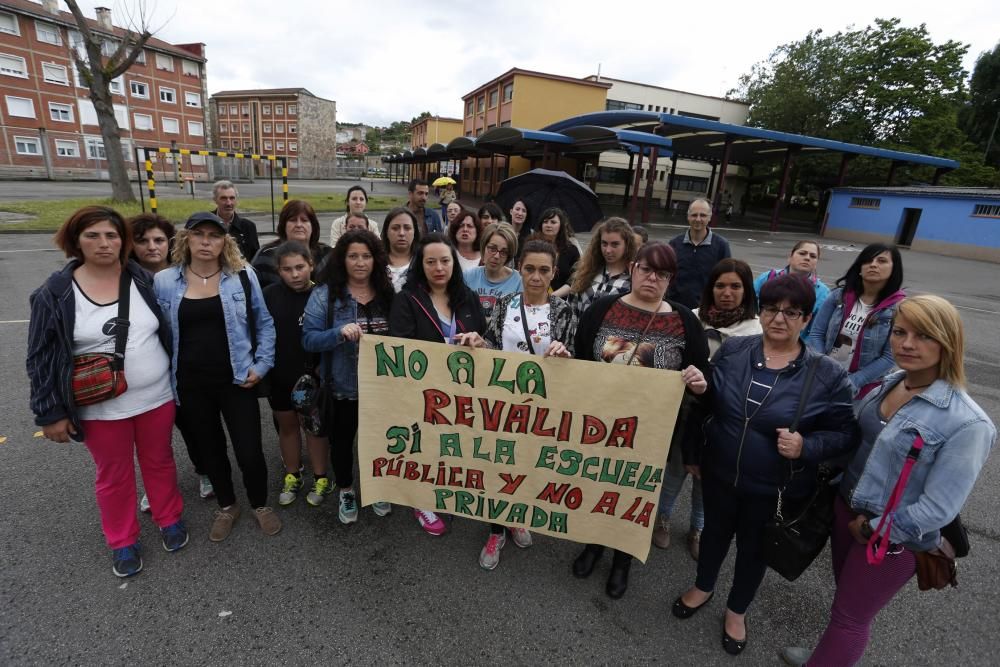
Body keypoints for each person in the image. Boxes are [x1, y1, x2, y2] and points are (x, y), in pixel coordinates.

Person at [782, 295, 995, 667]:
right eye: (900, 332)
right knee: (845, 603)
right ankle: (829, 655)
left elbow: (939, 508)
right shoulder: (891, 381)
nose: (907, 344)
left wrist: (877, 528)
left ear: (948, 341)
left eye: (924, 335)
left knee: (851, 618)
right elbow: (856, 442)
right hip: (845, 512)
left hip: (891, 539)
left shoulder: (968, 424)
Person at [672, 274, 856, 657]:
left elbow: (845, 436)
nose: (779, 318)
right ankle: (703, 586)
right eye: (772, 309)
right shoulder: (734, 349)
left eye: (792, 312)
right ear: (762, 310)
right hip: (719, 472)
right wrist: (696, 437)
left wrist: (807, 445)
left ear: (807, 319)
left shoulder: (827, 375)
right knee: (713, 535)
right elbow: (706, 407)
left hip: (774, 487)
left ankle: (736, 610)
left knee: (754, 551)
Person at [27, 206, 186, 578]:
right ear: (75, 241)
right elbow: (40, 357)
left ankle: (169, 517)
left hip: (155, 396)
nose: (103, 243)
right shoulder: (55, 293)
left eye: (111, 235)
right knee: (113, 473)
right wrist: (49, 412)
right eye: (92, 235)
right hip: (99, 404)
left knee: (159, 460)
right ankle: (122, 539)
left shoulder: (142, 279)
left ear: (122, 240)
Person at [571, 241, 710, 598]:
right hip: (599, 426)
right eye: (646, 269)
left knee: (634, 496)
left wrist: (698, 383)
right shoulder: (602, 309)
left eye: (662, 274)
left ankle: (622, 560)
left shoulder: (684, 321)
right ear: (633, 268)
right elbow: (581, 361)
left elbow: (702, 379)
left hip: (650, 433)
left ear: (670, 280)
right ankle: (593, 544)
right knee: (596, 487)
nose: (652, 278)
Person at [154, 212, 280, 542]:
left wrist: (262, 364)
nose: (206, 241)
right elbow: (156, 334)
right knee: (210, 450)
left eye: (214, 235)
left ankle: (260, 503)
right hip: (191, 383)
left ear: (225, 240)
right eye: (199, 234)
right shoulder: (166, 281)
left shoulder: (241, 276)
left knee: (249, 450)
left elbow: (264, 323)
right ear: (187, 239)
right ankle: (227, 505)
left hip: (237, 380)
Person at [457, 239, 575, 570]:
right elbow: (492, 343)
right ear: (519, 268)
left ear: (553, 272)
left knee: (528, 466)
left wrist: (565, 356)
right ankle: (496, 530)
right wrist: (479, 343)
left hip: (541, 407)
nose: (536, 277)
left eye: (544, 270)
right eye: (529, 269)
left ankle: (517, 516)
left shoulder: (564, 311)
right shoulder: (506, 303)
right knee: (498, 465)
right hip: (502, 403)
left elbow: (576, 361)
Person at [653, 259, 762, 558]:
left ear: (747, 290)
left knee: (707, 477)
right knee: (675, 468)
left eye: (735, 286)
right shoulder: (691, 318)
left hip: (724, 416)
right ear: (710, 288)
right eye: (720, 285)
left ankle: (697, 527)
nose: (727, 292)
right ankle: (662, 518)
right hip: (686, 410)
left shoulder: (755, 332)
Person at [389, 233, 487, 535]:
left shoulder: (467, 296)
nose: (439, 267)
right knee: (424, 447)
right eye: (431, 262)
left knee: (452, 446)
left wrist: (478, 341)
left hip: (461, 392)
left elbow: (484, 336)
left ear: (454, 264)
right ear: (421, 265)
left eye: (445, 261)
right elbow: (400, 347)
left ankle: (447, 491)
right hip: (423, 393)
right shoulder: (407, 300)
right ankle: (421, 500)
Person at [303, 229, 396, 523]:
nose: (359, 262)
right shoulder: (325, 296)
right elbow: (308, 340)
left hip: (381, 390)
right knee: (342, 444)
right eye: (352, 256)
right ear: (341, 259)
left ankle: (377, 488)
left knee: (378, 443)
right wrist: (337, 334)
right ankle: (346, 490)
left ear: (376, 260)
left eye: (366, 256)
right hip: (341, 388)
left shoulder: (388, 294)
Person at [129, 213, 213, 513]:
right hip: (146, 370)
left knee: (192, 426)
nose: (152, 247)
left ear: (171, 243)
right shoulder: (126, 280)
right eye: (142, 241)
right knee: (152, 437)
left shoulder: (183, 274)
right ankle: (155, 486)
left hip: (184, 366)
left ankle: (204, 470)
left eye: (159, 240)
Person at [262, 241, 331, 508]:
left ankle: (321, 477)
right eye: (287, 269)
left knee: (315, 429)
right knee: (288, 427)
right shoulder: (269, 295)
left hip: (313, 377)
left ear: (311, 265)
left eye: (300, 267)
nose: (294, 274)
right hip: (280, 375)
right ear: (278, 270)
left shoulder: (323, 295)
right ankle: (292, 474)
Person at [807, 243, 905, 398]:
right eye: (868, 260)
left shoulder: (899, 308)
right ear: (859, 268)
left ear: (894, 269)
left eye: (882, 261)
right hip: (822, 379)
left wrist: (852, 382)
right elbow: (816, 334)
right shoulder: (839, 296)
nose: (873, 265)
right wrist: (822, 368)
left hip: (864, 390)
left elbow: (889, 357)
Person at [554, 217, 636, 321]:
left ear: (627, 245)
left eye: (615, 244)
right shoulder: (586, 270)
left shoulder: (634, 278)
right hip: (577, 334)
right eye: (604, 243)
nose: (608, 250)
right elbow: (571, 307)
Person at [754, 240, 830, 338]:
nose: (807, 258)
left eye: (813, 256)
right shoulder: (767, 277)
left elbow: (817, 331)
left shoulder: (823, 293)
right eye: (802, 253)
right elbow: (748, 306)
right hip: (759, 337)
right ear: (790, 257)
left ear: (816, 262)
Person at [252, 200, 332, 289]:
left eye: (304, 220)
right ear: (283, 226)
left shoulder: (327, 255)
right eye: (293, 220)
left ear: (313, 226)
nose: (299, 225)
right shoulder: (265, 256)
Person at [667, 198, 732, 309]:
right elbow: (666, 275)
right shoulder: (674, 244)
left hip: (706, 310)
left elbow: (726, 279)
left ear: (710, 217)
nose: (698, 219)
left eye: (703, 215)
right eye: (694, 215)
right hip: (675, 308)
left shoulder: (721, 246)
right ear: (688, 216)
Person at [463, 222, 522, 321]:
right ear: (483, 247)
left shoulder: (518, 281)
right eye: (492, 248)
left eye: (503, 252)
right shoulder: (468, 276)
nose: (496, 256)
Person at [535, 207, 580, 292]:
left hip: (560, 298)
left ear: (561, 226)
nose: (548, 225)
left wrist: (553, 296)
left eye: (553, 222)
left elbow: (576, 277)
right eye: (545, 222)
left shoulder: (571, 250)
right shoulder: (532, 246)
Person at [212, 180, 259, 261]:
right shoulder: (205, 223)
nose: (228, 203)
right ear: (215, 200)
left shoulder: (248, 227)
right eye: (223, 198)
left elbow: (254, 258)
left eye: (232, 198)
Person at [381, 207, 420, 292]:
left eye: (407, 228)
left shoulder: (423, 262)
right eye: (395, 228)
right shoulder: (376, 261)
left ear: (414, 232)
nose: (401, 233)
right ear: (386, 232)